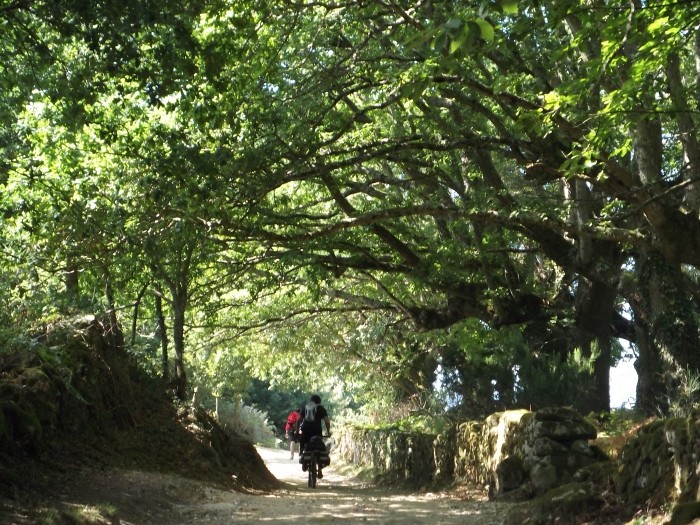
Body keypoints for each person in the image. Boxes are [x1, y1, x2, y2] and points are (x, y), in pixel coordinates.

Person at [296, 394, 331, 478]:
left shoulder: (306, 407)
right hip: (317, 431)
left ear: (311, 400)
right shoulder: (321, 408)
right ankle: (319, 470)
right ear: (319, 401)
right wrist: (328, 431)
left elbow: (298, 420)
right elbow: (327, 421)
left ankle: (303, 458)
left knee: (304, 444)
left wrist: (297, 431)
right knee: (318, 447)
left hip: (306, 430)